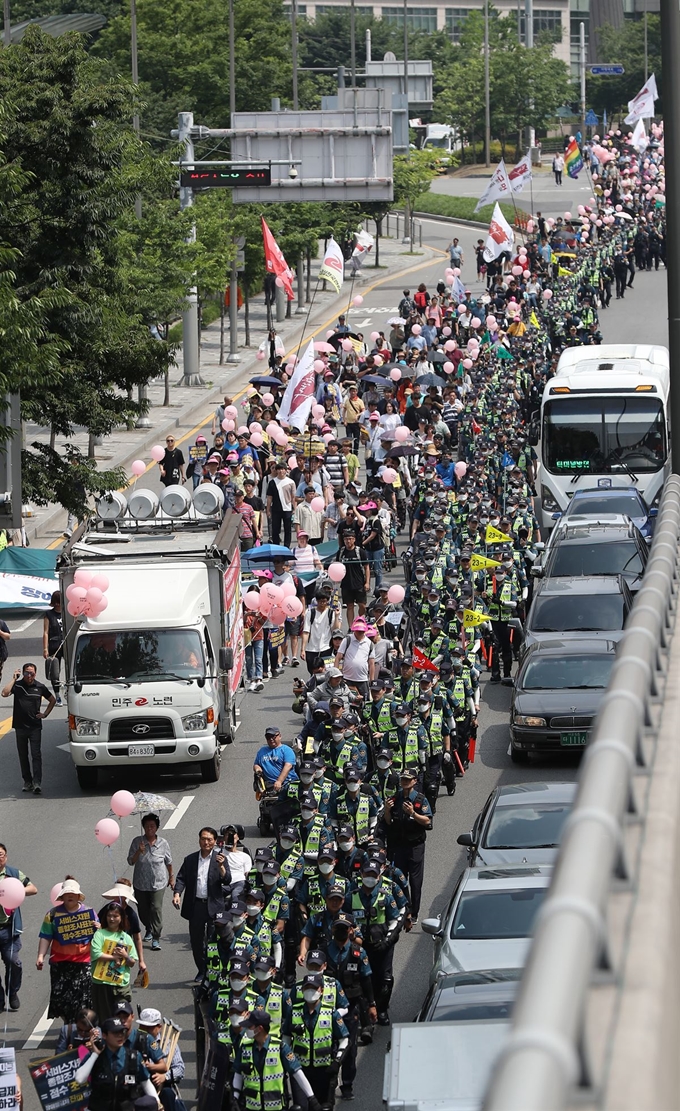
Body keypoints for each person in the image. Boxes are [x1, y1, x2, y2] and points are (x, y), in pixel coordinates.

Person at [232, 1007, 324, 1111]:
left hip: (275, 1107)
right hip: (252, 1107)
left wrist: (312, 1099)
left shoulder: (280, 1047)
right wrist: (235, 1098)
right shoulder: (244, 1048)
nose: (247, 1029)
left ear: (260, 1028)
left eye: (250, 1026)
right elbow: (238, 1073)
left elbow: (297, 1073)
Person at [37, 877, 99, 1023]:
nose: (70, 896)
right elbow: (46, 936)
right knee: (62, 1000)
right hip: (60, 964)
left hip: (84, 962)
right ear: (62, 896)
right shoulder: (52, 915)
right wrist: (41, 956)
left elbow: (99, 938)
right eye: (67, 893)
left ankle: (78, 1029)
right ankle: (68, 1025)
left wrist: (99, 929)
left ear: (78, 896)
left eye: (73, 893)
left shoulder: (90, 913)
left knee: (83, 999)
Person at [172, 828, 231, 979]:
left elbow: (227, 880)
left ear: (215, 842)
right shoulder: (190, 860)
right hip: (196, 906)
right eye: (203, 839)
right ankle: (202, 970)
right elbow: (181, 878)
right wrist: (177, 894)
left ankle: (213, 970)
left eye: (209, 839)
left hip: (214, 905)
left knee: (212, 940)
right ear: (199, 840)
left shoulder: (220, 859)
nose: (206, 842)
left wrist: (222, 867)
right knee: (196, 942)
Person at [73, 1015, 157, 1110]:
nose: (120, 1035)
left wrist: (158, 1103)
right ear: (104, 1035)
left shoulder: (134, 1057)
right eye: (115, 1033)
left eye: (122, 1032)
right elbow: (80, 1079)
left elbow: (145, 1082)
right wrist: (95, 1054)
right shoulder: (95, 1057)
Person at [384, 768, 433, 924]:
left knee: (415, 882)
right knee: (399, 879)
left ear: (414, 781)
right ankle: (404, 908)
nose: (404, 781)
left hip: (415, 845)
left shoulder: (420, 800)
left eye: (408, 779)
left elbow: (428, 821)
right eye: (403, 779)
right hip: (399, 845)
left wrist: (413, 813)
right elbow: (388, 822)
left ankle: (414, 912)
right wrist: (386, 810)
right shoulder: (396, 798)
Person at [2, 661, 56, 794]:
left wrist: (45, 714)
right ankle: (27, 781)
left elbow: (52, 700)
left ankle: (37, 783)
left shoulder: (40, 687)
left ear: (35, 674)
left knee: (36, 755)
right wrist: (14, 679)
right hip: (20, 727)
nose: (29, 676)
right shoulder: (18, 685)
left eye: (31, 673)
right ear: (23, 673)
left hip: (35, 727)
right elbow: (4, 693)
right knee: (23, 755)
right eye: (26, 673)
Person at [127, 814, 174, 952]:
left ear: (157, 827)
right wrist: (138, 852)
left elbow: (169, 862)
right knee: (143, 910)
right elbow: (130, 861)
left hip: (158, 883)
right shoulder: (137, 842)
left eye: (152, 826)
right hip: (140, 883)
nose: (149, 829)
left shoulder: (163, 843)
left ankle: (156, 937)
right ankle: (148, 927)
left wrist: (171, 877)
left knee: (156, 909)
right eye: (147, 826)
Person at [0, 842, 37, 1011]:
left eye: (1, 854)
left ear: (6, 857)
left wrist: (15, 892)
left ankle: (12, 991)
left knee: (14, 963)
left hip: (9, 929)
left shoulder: (13, 874)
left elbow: (33, 888)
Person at [90, 903, 138, 1021]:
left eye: (115, 916)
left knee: (123, 1016)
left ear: (121, 918)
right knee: (105, 1018)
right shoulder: (100, 934)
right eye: (109, 916)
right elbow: (95, 954)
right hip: (101, 983)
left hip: (120, 984)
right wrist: (114, 958)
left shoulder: (126, 937)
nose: (112, 919)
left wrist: (126, 956)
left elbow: (132, 962)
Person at [137, 1007, 185, 1111]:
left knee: (168, 1094)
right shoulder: (134, 1042)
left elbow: (180, 1069)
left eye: (148, 1027)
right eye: (142, 1026)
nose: (144, 1030)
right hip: (140, 1088)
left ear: (159, 1027)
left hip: (164, 1090)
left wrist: (164, 1077)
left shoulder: (168, 1044)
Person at [301, 592, 341, 674]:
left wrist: (337, 616)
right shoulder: (310, 612)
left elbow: (335, 629)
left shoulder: (330, 612)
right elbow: (306, 631)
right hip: (311, 648)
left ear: (327, 601)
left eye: (324, 601)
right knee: (312, 671)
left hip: (326, 647)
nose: (322, 603)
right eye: (320, 601)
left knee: (325, 671)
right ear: (316, 601)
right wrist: (302, 649)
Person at [335, 618, 376, 699]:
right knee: (346, 701)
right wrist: (336, 675)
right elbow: (338, 658)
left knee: (364, 703)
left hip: (362, 680)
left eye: (362, 631)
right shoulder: (347, 640)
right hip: (347, 678)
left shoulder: (369, 643)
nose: (360, 633)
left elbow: (371, 664)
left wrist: (372, 680)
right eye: (358, 631)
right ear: (354, 630)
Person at [336, 531, 370, 627]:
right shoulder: (341, 552)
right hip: (346, 584)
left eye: (350, 539)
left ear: (354, 539)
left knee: (362, 605)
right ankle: (351, 627)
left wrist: (367, 582)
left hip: (359, 583)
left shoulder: (360, 552)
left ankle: (360, 620)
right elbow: (336, 566)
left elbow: (366, 567)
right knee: (349, 606)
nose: (348, 541)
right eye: (346, 539)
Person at [253, 726, 299, 790]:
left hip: (287, 783)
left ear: (279, 736)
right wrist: (258, 770)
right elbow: (256, 764)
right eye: (268, 737)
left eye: (273, 736)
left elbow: (288, 766)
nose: (271, 739)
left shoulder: (286, 750)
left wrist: (279, 781)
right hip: (269, 785)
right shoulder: (262, 751)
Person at [266, 461, 296, 546]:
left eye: (283, 469)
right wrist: (268, 510)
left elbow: (293, 497)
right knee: (275, 529)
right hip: (276, 509)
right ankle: (276, 546)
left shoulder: (291, 482)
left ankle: (287, 546)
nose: (281, 471)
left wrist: (294, 508)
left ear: (286, 470)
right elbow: (269, 497)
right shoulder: (272, 482)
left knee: (288, 530)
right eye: (279, 469)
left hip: (287, 509)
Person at [42, 591, 63, 704]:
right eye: (56, 603)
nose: (58, 605)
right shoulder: (49, 615)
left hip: (67, 643)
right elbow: (45, 632)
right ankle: (57, 695)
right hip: (54, 645)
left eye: (59, 603)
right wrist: (45, 648)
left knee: (72, 670)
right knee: (55, 672)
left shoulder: (68, 612)